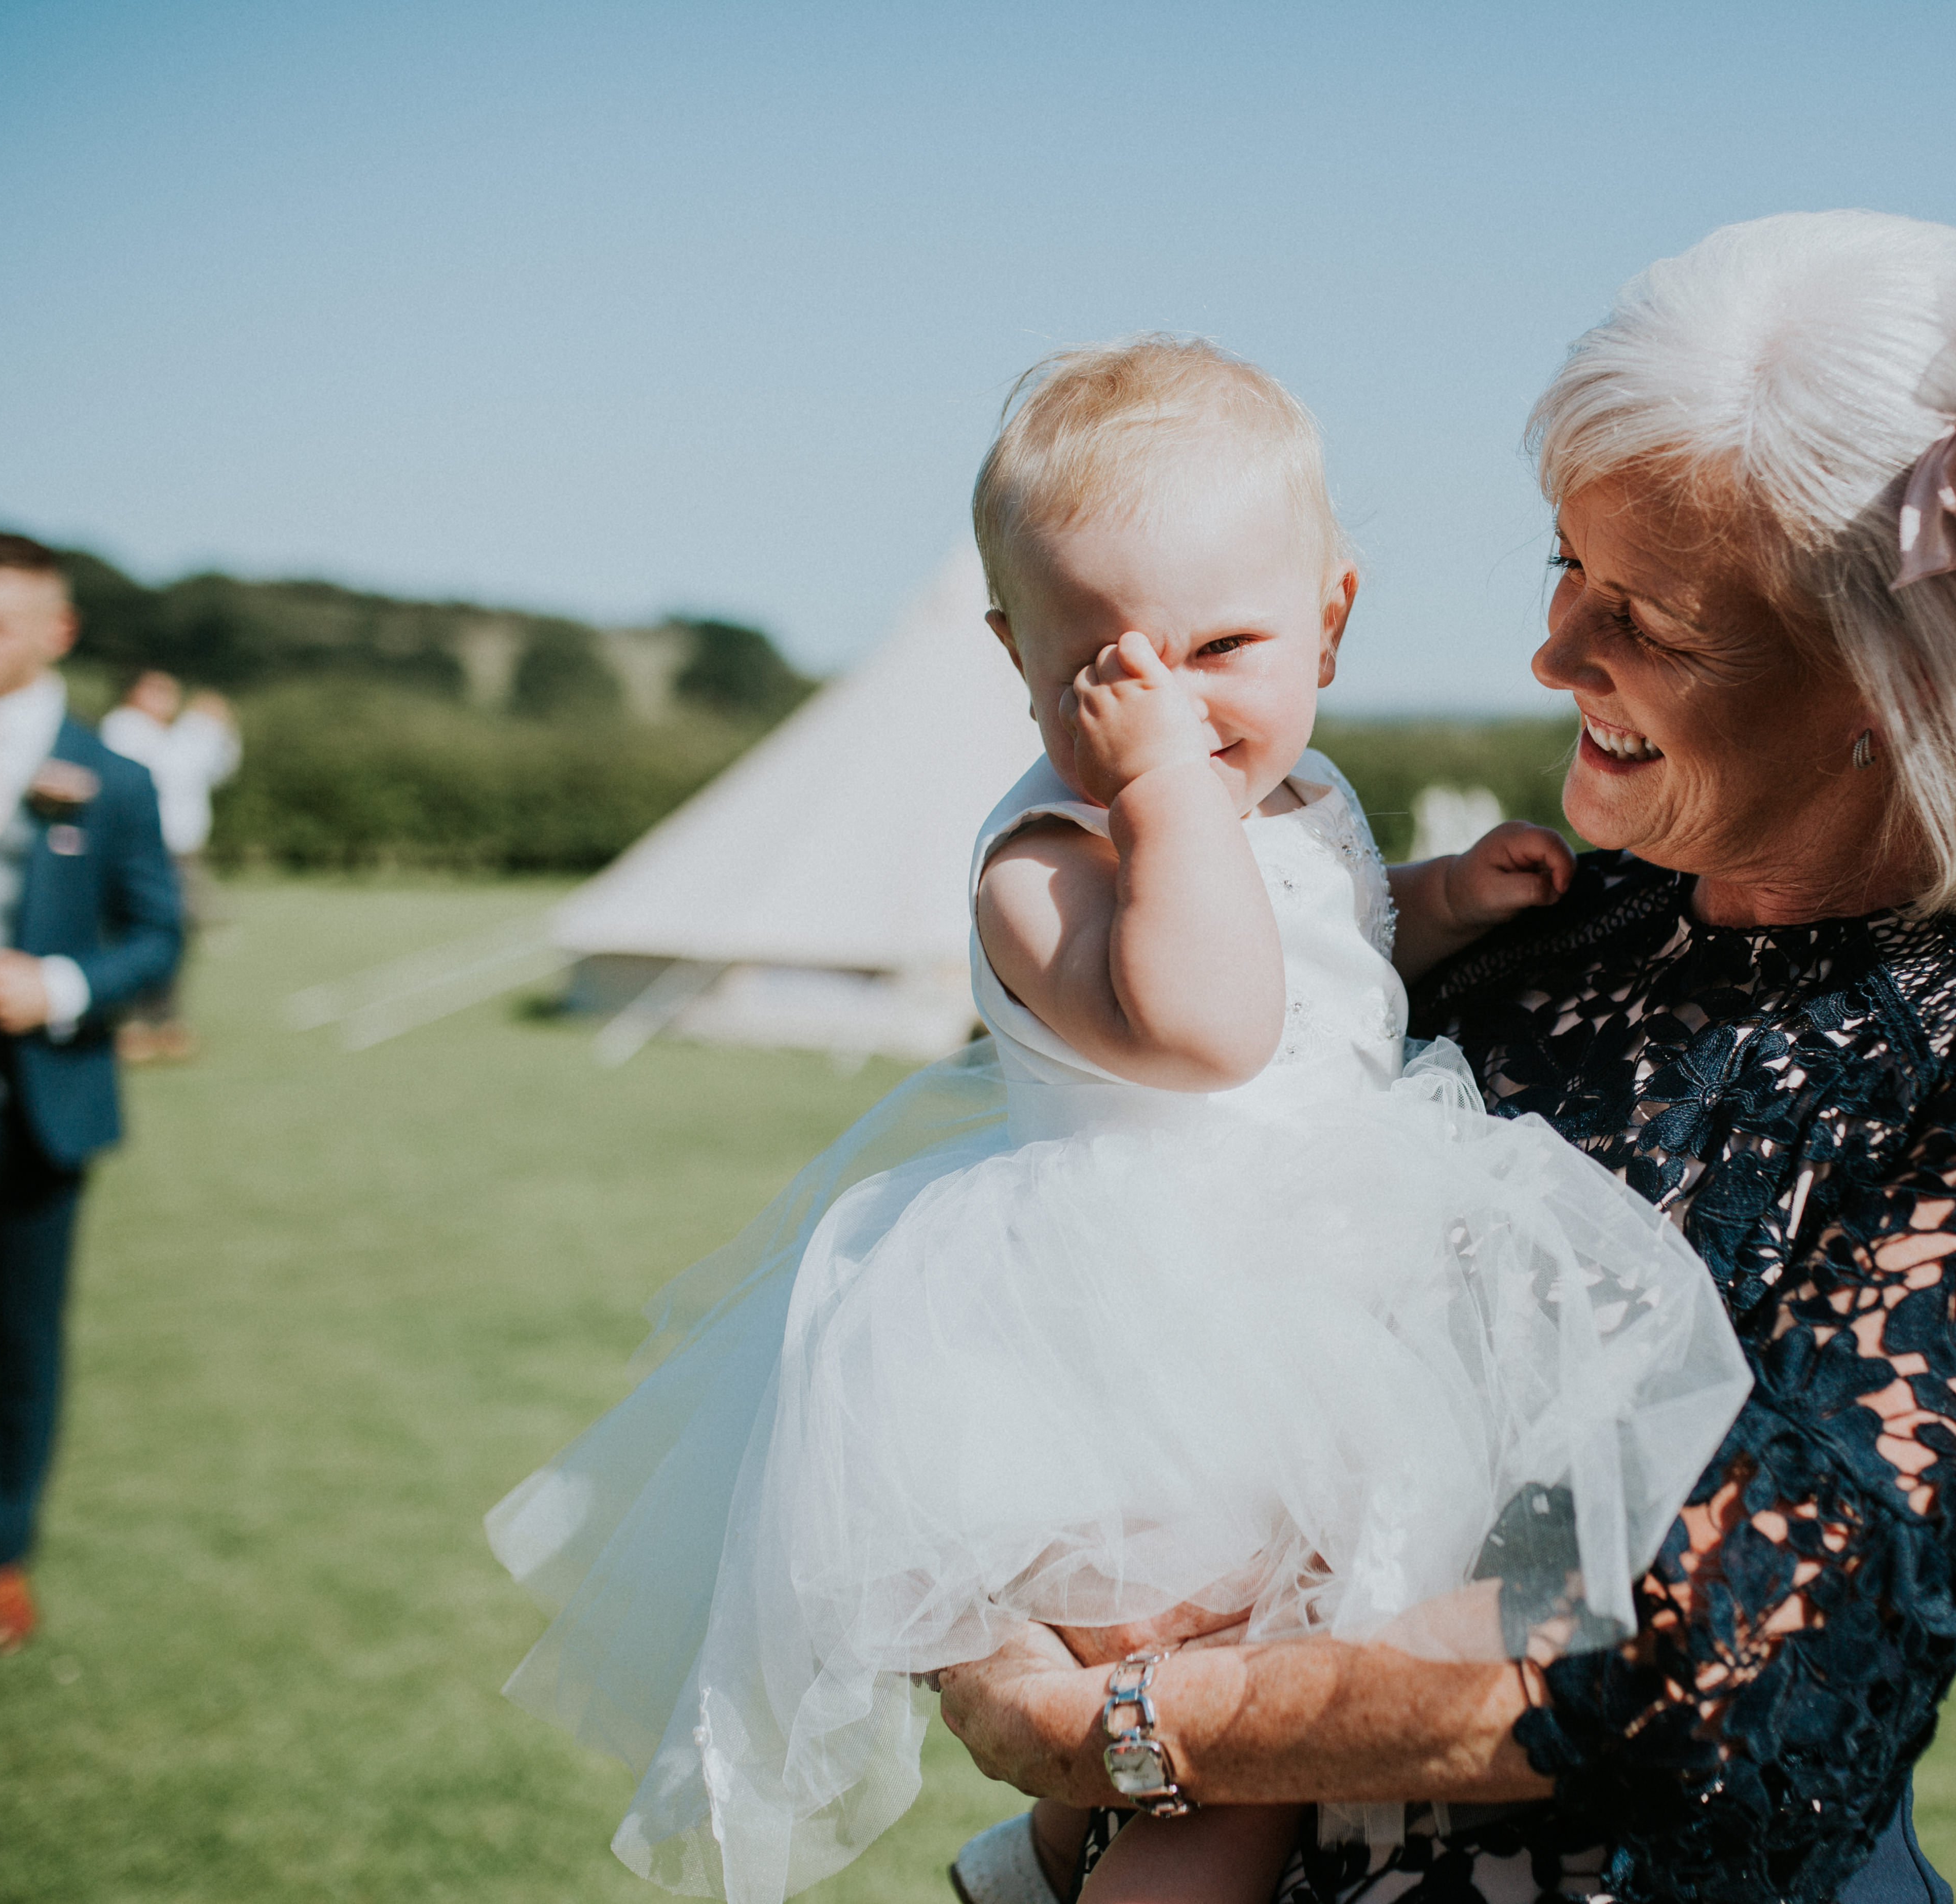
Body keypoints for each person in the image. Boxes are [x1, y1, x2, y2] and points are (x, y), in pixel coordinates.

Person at [926, 189, 1956, 1904]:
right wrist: (1000, 1578)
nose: (1552, 653)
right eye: (1565, 567)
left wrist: (1131, 1725)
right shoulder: (1538, 927)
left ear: (1887, 685)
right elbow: (1135, 1233)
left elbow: (1727, 1660)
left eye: (1652, 621)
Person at [488, 339, 1754, 1904]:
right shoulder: (1045, 854)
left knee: (1330, 1674)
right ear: (1016, 657)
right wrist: (1157, 788)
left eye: (1224, 644)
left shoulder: (1299, 800)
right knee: (1213, 1748)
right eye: (1106, 659)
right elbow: (1213, 1021)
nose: (1168, 697)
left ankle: (1033, 1865)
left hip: (1314, 1301)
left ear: (1331, 625)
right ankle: (1069, 1861)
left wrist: (1437, 902)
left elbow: (1325, 962)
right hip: (1142, 1361)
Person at [0, 532, 183, 1657]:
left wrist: (57, 983)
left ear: (56, 632)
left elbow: (156, 938)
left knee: (26, 1339)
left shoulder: (116, 777)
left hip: (47, 1097)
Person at [97, 670, 240, 1062]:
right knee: (134, 933)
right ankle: (133, 1023)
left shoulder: (176, 735)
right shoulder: (123, 730)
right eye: (156, 689)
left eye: (171, 691)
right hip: (140, 852)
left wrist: (218, 727)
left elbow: (217, 770)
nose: (166, 698)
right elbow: (162, 773)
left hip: (181, 851)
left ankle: (166, 1019)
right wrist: (200, 727)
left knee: (170, 935)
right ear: (133, 692)